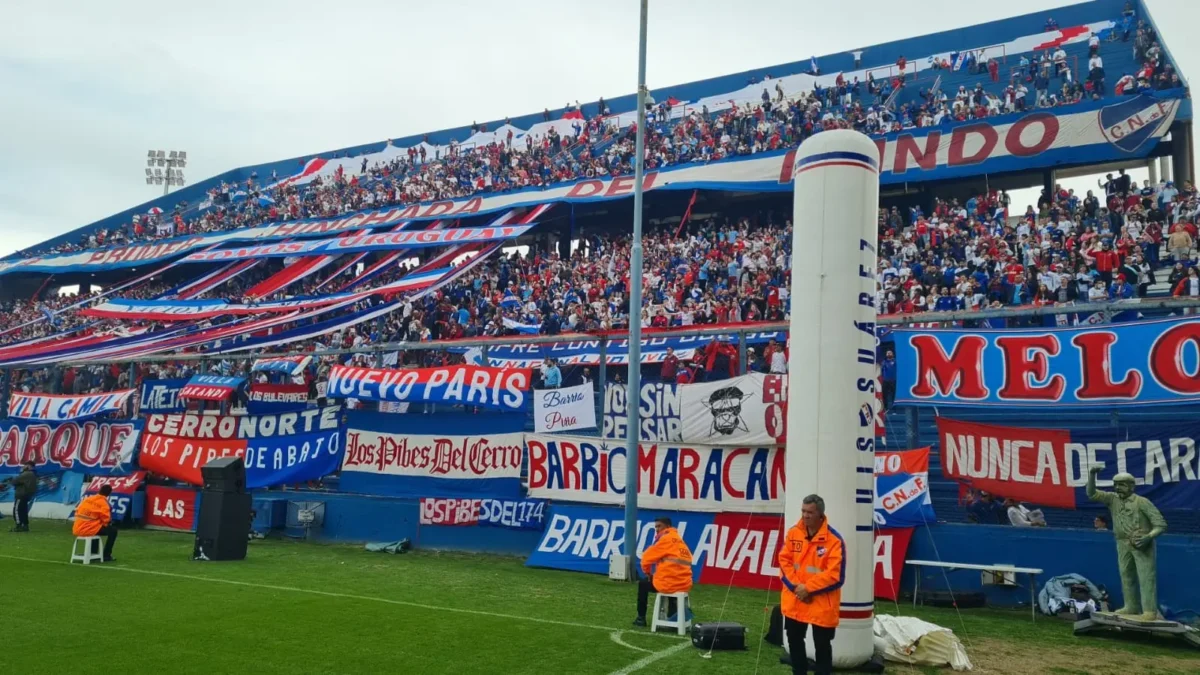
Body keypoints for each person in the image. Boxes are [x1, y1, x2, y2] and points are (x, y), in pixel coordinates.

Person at [779, 494, 843, 675]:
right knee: (794, 641)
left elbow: (835, 575)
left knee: (822, 646)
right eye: (803, 511)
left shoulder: (834, 540)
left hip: (820, 602)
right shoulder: (793, 533)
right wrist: (797, 588)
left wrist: (808, 588)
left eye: (810, 512)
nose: (805, 516)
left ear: (820, 514)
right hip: (796, 599)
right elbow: (784, 562)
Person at [633, 517, 693, 627]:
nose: (657, 529)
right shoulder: (680, 541)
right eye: (656, 526)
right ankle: (672, 616)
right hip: (684, 584)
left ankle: (641, 618)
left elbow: (646, 558)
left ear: (668, 526)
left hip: (669, 584)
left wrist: (647, 573)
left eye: (659, 526)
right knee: (668, 582)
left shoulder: (665, 539)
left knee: (643, 584)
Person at [73, 484, 118, 562]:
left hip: (77, 528)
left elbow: (77, 511)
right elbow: (106, 520)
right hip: (89, 529)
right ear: (109, 494)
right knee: (113, 531)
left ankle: (93, 553)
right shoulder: (104, 504)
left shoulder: (87, 499)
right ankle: (106, 555)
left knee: (96, 527)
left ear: (99, 490)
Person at [10, 461, 36, 532]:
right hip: (26, 495)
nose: (23, 467)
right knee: (23, 511)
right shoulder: (33, 474)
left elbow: (14, 481)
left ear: (29, 466)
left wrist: (21, 472)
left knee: (16, 510)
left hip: (21, 495)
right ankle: (25, 525)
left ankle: (18, 525)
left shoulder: (26, 474)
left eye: (25, 465)